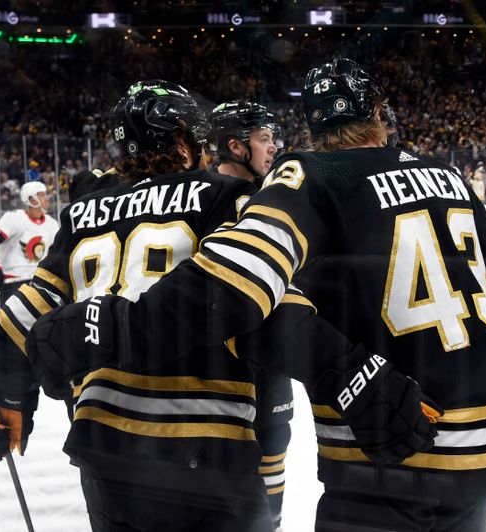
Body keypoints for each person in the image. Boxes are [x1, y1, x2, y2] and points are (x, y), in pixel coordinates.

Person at [30, 59, 486, 531]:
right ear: (380, 114)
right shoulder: (448, 175)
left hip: (378, 454)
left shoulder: (308, 175)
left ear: (315, 130)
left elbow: (231, 282)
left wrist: (109, 325)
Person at [0, 80, 274, 531]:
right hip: (207, 446)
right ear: (180, 141)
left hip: (105, 449)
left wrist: (8, 400)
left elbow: (10, 328)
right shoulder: (225, 195)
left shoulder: (80, 215)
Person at [209, 100, 290, 530]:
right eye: (265, 139)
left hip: (266, 370)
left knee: (266, 506)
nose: (274, 147)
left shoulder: (195, 194)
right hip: (227, 376)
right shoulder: (233, 202)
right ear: (237, 147)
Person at [0, 181, 59, 307]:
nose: (46, 199)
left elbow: (55, 254)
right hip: (13, 283)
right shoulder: (14, 219)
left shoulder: (52, 224)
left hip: (39, 283)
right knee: (10, 326)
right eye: (42, 195)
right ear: (31, 199)